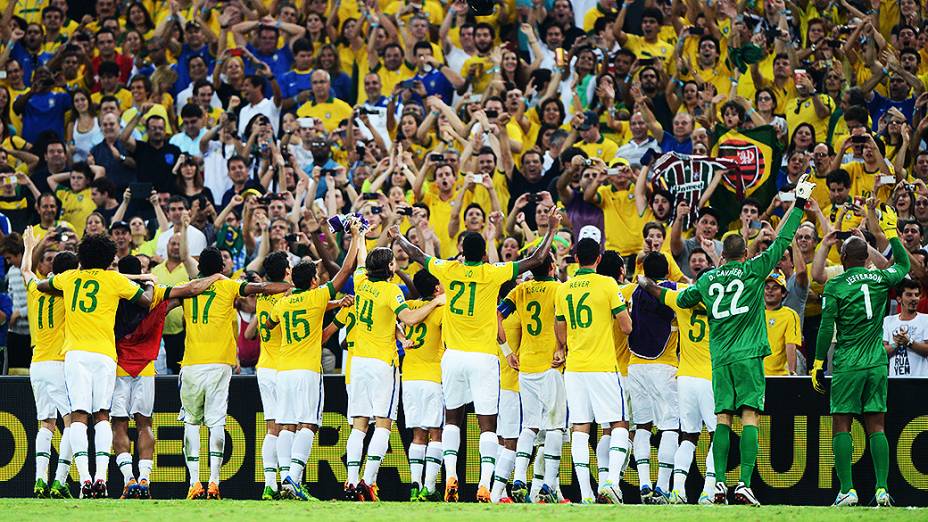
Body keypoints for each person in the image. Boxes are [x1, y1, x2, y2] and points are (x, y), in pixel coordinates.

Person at [638, 174, 816, 505]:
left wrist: (649, 285)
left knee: (722, 419)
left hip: (718, 359)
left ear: (723, 255)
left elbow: (679, 300)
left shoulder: (707, 280)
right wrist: (800, 200)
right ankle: (743, 483)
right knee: (749, 416)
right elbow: (783, 238)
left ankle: (719, 483)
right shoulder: (753, 270)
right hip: (748, 356)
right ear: (746, 252)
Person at [389, 207, 560, 502]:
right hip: (483, 358)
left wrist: (398, 237)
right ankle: (483, 483)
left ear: (461, 252)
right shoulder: (492, 273)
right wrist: (552, 230)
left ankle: (452, 475)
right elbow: (534, 260)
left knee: (452, 419)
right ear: (483, 255)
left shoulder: (448, 269)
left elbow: (417, 255)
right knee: (487, 424)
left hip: (453, 357)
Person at [36, 233, 153, 498]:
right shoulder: (113, 279)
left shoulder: (69, 278)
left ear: (82, 257)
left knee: (78, 415)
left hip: (75, 355)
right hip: (103, 355)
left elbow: (43, 285)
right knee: (102, 415)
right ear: (109, 257)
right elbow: (145, 302)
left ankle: (84, 479)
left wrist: (59, 285)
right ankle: (101, 477)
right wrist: (147, 283)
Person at [812, 206, 908, 507]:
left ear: (842, 259)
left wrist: (817, 363)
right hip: (876, 360)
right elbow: (903, 266)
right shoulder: (879, 278)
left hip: (847, 363)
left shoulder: (835, 285)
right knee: (876, 425)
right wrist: (890, 231)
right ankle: (881, 489)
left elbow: (826, 328)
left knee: (842, 424)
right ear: (867, 258)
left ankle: (847, 491)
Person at [179, 247, 291, 501]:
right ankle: (215, 483)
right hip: (219, 362)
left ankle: (194, 482)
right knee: (216, 422)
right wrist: (287, 286)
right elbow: (262, 288)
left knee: (192, 423)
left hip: (191, 362)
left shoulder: (188, 288)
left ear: (199, 268)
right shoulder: (228, 286)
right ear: (221, 267)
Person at [111, 254, 221, 500]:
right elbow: (190, 289)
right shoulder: (157, 294)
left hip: (118, 367)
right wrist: (216, 276)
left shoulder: (113, 292)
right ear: (141, 270)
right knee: (144, 424)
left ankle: (128, 478)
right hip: (146, 369)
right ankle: (145, 479)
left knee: (118, 424)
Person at [344, 235, 445, 501]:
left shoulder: (360, 282)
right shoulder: (392, 291)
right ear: (390, 268)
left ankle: (352, 482)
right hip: (382, 363)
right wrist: (435, 302)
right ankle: (368, 480)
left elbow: (360, 260)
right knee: (383, 424)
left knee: (358, 425)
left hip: (359, 363)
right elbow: (409, 317)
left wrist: (358, 235)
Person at [268, 225, 357, 501]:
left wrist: (333, 303)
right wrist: (355, 239)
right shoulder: (318, 296)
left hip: (283, 369)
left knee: (285, 424)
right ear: (314, 282)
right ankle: (293, 478)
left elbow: (270, 324)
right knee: (308, 424)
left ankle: (285, 478)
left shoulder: (282, 304)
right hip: (307, 370)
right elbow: (345, 271)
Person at [555, 237, 633, 504]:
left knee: (580, 427)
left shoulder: (563, 289)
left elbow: (560, 327)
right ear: (598, 259)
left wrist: (562, 348)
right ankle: (611, 481)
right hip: (602, 366)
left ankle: (586, 493)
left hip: (575, 367)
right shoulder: (607, 283)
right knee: (618, 422)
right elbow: (626, 327)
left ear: (576, 258)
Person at [500, 250, 565, 504]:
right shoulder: (560, 289)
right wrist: (562, 347)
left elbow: (498, 315)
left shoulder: (520, 291)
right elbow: (562, 320)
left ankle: (518, 478)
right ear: (551, 268)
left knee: (529, 425)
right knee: (555, 427)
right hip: (551, 365)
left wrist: (507, 352)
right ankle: (548, 484)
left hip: (525, 365)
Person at [22, 227, 77, 498]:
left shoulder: (36, 289)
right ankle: (59, 479)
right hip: (58, 362)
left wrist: (29, 246)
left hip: (37, 363)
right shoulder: (66, 291)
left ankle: (39, 480)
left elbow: (25, 271)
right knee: (71, 422)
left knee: (46, 423)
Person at [658, 268, 717, 505]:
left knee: (688, 437)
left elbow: (656, 290)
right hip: (710, 377)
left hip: (685, 378)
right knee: (717, 434)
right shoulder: (719, 304)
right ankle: (708, 491)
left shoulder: (682, 300)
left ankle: (678, 490)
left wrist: (642, 281)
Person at [626, 252, 680, 504]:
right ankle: (662, 486)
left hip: (635, 367)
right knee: (668, 426)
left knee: (642, 427)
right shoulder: (675, 290)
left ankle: (644, 484)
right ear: (668, 272)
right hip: (664, 366)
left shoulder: (631, 292)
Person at [243, 251, 291, 500]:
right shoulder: (287, 296)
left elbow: (250, 333)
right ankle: (286, 480)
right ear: (286, 272)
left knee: (272, 428)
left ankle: (269, 484)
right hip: (283, 367)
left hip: (264, 367)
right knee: (285, 427)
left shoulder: (262, 297)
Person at [401, 270, 445, 501]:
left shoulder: (408, 306)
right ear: (437, 289)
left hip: (409, 376)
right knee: (435, 434)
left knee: (418, 435)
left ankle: (415, 485)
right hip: (432, 378)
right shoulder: (441, 311)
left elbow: (392, 323)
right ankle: (429, 487)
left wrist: (401, 339)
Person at [883, 278, 928, 377]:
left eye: (916, 295)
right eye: (909, 295)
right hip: (895, 381)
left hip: (921, 382)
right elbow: (882, 352)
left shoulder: (926, 320)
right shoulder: (888, 321)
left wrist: (909, 342)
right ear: (899, 299)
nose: (914, 298)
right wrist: (896, 344)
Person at [763, 271, 802, 376]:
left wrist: (792, 373)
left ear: (784, 293)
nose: (770, 291)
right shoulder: (756, 314)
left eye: (775, 288)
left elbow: (790, 345)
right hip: (756, 375)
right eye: (767, 288)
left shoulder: (790, 315)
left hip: (779, 376)